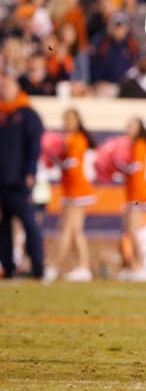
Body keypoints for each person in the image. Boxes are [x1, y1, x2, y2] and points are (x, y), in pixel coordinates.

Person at [0, 73, 45, 279]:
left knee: (30, 224)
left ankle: (38, 269)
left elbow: (34, 146)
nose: (3, 89)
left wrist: (30, 172)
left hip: (18, 181)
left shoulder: (27, 114)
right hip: (1, 181)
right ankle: (8, 267)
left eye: (7, 85)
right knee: (3, 228)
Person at [44, 108, 96, 283]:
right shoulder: (64, 139)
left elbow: (72, 163)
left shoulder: (78, 139)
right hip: (68, 189)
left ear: (77, 121)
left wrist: (56, 158)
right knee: (74, 231)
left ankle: (53, 267)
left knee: (66, 229)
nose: (67, 123)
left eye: (70, 119)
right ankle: (82, 267)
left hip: (77, 189)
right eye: (64, 119)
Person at [115, 117, 146, 282]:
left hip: (139, 194)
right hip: (131, 193)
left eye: (132, 125)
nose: (128, 127)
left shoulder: (140, 144)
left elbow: (136, 167)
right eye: (128, 124)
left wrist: (118, 163)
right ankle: (131, 267)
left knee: (133, 231)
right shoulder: (130, 145)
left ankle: (141, 266)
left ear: (139, 128)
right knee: (128, 231)